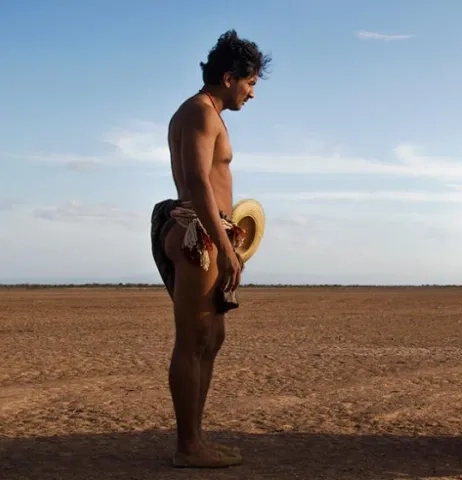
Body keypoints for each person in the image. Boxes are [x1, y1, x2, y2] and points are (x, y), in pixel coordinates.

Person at [150, 29, 271, 468]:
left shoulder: (206, 113)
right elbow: (200, 181)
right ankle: (187, 447)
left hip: (210, 231)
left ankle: (196, 438)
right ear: (228, 76)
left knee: (211, 339)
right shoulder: (200, 113)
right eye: (251, 83)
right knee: (193, 340)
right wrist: (223, 244)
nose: (252, 94)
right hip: (198, 235)